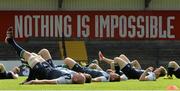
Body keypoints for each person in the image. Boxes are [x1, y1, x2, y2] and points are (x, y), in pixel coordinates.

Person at [5, 27, 85, 84]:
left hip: (44, 74)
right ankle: (29, 73)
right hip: (48, 68)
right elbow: (86, 77)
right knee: (34, 55)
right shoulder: (72, 74)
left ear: (76, 79)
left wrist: (35, 82)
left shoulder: (67, 79)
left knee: (30, 57)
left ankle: (11, 41)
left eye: (80, 75)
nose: (80, 73)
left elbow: (52, 81)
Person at [98, 51, 167, 81]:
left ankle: (115, 73)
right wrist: (137, 67)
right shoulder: (152, 74)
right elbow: (140, 71)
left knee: (116, 59)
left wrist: (146, 70)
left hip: (129, 72)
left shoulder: (152, 77)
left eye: (158, 69)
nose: (157, 68)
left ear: (159, 73)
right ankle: (103, 58)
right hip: (132, 69)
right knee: (122, 56)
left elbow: (141, 79)